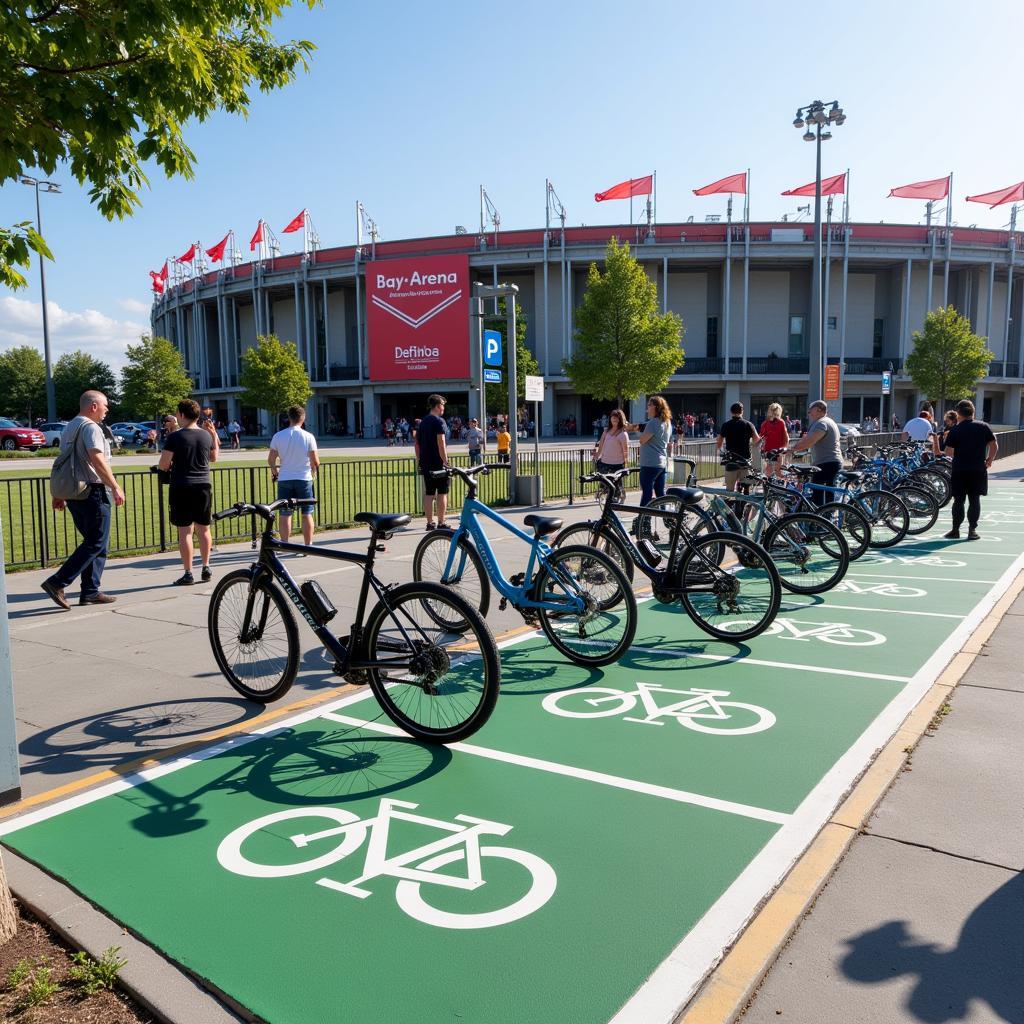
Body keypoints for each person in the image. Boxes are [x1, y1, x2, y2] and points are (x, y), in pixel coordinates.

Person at [41, 390, 125, 609]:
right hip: (92, 491)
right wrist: (115, 486)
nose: (107, 409)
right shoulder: (91, 427)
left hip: (76, 493)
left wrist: (58, 494)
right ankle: (57, 582)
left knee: (97, 543)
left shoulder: (70, 426)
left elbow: (64, 462)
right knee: (96, 541)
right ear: (94, 406)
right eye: (105, 405)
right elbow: (97, 459)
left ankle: (90, 591)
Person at [157, 399, 217, 585]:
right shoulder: (206, 435)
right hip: (203, 485)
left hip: (182, 485)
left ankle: (188, 572)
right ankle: (206, 566)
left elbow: (164, 464)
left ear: (181, 415)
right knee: (204, 528)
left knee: (185, 532)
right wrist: (214, 436)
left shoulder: (175, 437)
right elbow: (214, 458)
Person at [942, 399, 997, 541]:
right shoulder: (983, 426)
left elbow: (948, 452)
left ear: (958, 413)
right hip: (978, 468)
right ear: (973, 412)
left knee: (958, 500)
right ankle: (972, 530)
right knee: (974, 500)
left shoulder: (955, 429)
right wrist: (989, 459)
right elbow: (993, 444)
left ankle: (955, 530)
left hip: (960, 468)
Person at [268, 405, 320, 547]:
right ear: (303, 419)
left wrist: (275, 472)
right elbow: (315, 461)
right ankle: (308, 544)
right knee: (307, 513)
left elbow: (271, 460)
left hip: (285, 477)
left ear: (289, 418)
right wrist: (313, 471)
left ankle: (284, 543)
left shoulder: (278, 436)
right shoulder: (309, 437)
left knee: (285, 513)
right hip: (304, 478)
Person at [790, 400, 843, 503]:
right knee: (825, 495)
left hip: (827, 463)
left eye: (811, 410)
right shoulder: (827, 421)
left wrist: (790, 450)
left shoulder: (822, 423)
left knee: (819, 496)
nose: (809, 413)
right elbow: (807, 439)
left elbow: (809, 442)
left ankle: (820, 517)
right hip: (830, 462)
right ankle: (825, 515)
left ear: (819, 409)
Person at [630, 395, 673, 506]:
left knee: (647, 493)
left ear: (656, 407)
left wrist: (637, 431)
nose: (647, 408)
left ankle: (643, 521)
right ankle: (669, 519)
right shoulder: (667, 423)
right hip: (661, 463)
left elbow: (642, 440)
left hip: (650, 463)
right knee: (660, 494)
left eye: (649, 405)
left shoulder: (653, 422)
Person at [417, 395, 450, 530]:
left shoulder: (423, 422)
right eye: (442, 405)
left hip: (425, 461)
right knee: (442, 492)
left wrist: (420, 459)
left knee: (429, 493)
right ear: (437, 406)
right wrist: (445, 461)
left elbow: (417, 444)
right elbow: (441, 443)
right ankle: (441, 522)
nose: (443, 408)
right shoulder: (439, 421)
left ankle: (430, 523)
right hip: (438, 462)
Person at [716, 402, 761, 491]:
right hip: (745, 461)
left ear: (731, 412)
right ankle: (743, 503)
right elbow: (757, 440)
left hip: (731, 461)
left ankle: (730, 503)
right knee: (746, 489)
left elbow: (719, 441)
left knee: (729, 491)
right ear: (742, 411)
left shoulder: (726, 425)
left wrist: (719, 450)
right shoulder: (748, 425)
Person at [759, 403, 790, 478]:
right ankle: (782, 484)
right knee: (778, 472)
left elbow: (760, 437)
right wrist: (785, 449)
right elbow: (786, 438)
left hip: (770, 450)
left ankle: (769, 486)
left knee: (769, 472)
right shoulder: (781, 422)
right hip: (778, 450)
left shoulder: (765, 423)